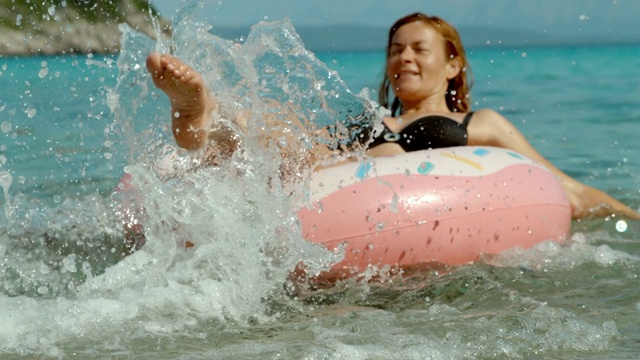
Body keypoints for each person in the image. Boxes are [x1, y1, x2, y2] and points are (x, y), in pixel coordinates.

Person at [145, 12, 640, 220]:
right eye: (395, 49)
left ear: (452, 65)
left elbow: (564, 187)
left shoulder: (478, 123)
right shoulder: (370, 114)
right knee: (275, 130)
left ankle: (207, 119)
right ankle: (203, 114)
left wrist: (629, 215)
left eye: (419, 49)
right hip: (334, 172)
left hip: (412, 202)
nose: (403, 58)